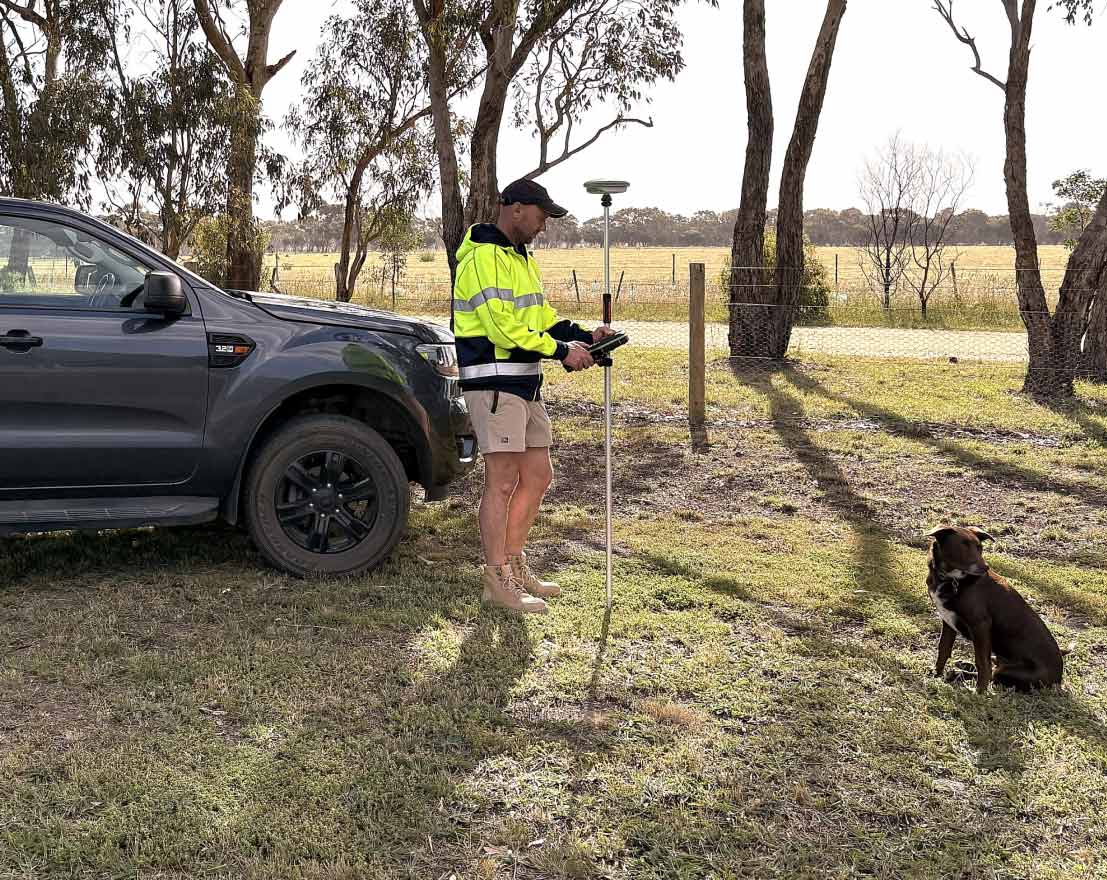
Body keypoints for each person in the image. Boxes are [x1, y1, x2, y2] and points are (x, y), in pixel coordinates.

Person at [453, 178, 615, 614]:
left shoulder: (519, 257)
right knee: (502, 482)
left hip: (525, 382)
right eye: (542, 216)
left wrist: (586, 336)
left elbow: (539, 318)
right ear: (517, 209)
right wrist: (562, 352)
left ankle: (514, 563)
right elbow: (501, 328)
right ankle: (496, 578)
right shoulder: (482, 257)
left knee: (539, 476)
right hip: (494, 383)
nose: (544, 225)